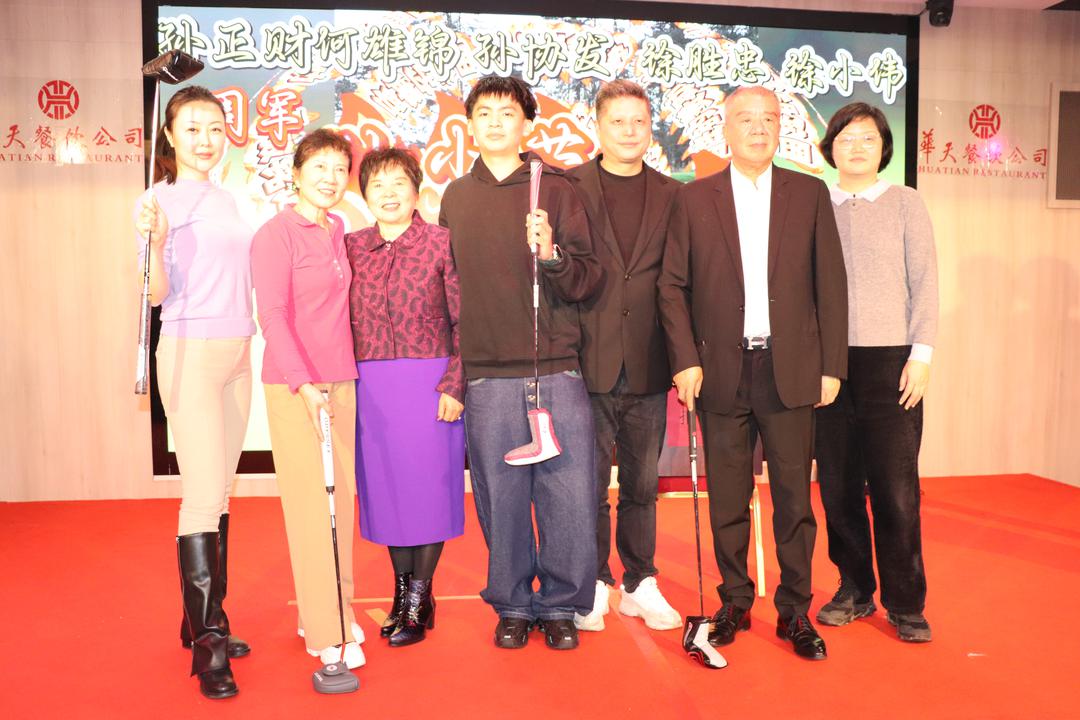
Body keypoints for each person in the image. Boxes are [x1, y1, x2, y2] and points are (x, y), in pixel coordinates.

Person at [659, 85, 848, 660]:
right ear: (726, 129)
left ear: (780, 127)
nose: (759, 128)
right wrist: (685, 360)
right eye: (746, 118)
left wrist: (831, 366)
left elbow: (830, 284)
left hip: (791, 369)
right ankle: (735, 600)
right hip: (720, 367)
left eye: (769, 118)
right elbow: (672, 286)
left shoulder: (809, 193)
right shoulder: (694, 198)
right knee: (728, 499)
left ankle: (795, 611)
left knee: (793, 500)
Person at [438, 75, 602, 651]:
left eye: (507, 113)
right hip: (488, 372)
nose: (495, 122)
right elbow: (447, 291)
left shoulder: (555, 188)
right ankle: (511, 603)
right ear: (469, 124)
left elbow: (588, 279)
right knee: (500, 496)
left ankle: (560, 605)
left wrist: (552, 253)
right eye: (483, 113)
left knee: (568, 494)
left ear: (527, 123)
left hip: (555, 366)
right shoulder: (456, 197)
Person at [134, 85, 254, 699]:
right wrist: (155, 241)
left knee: (221, 490)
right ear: (171, 136)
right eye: (192, 129)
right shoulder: (155, 200)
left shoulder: (228, 197)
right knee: (203, 498)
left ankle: (201, 620)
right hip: (189, 352)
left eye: (215, 128)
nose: (206, 140)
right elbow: (154, 296)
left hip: (239, 352)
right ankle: (209, 647)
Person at [813, 102, 938, 643]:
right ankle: (855, 589)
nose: (857, 146)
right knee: (838, 486)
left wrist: (922, 355)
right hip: (829, 364)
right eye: (846, 138)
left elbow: (925, 282)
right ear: (830, 148)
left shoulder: (906, 202)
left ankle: (906, 603)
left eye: (868, 137)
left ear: (884, 147)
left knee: (896, 488)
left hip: (893, 363)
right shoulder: (816, 204)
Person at [568, 80, 682, 633]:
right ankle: (592, 582)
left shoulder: (673, 194)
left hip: (649, 360)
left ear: (650, 127)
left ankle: (639, 582)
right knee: (587, 485)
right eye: (618, 121)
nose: (629, 131)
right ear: (598, 126)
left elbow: (679, 281)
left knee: (641, 485)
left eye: (639, 121)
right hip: (585, 360)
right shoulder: (570, 187)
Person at [250, 129, 365, 669]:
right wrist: (303, 383)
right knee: (313, 511)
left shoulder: (337, 228)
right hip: (297, 387)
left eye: (340, 169)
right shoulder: (275, 235)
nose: (330, 178)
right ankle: (325, 631)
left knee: (341, 505)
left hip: (341, 381)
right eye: (319, 167)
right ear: (296, 174)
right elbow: (271, 316)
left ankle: (332, 609)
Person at [345, 147, 465, 647]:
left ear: (418, 192)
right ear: (364, 195)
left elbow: (465, 319)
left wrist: (455, 383)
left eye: (399, 183)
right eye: (378, 184)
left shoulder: (442, 243)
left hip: (431, 384)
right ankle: (403, 594)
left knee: (428, 492)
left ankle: (419, 597)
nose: (389, 193)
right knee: (389, 493)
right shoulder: (351, 247)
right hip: (371, 387)